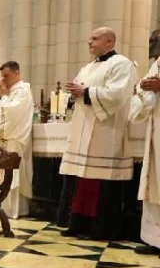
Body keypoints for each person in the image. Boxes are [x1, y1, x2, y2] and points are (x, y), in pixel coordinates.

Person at [59, 27, 137, 241]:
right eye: (89, 39)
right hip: (82, 132)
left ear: (109, 42)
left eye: (94, 39)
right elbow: (77, 92)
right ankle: (77, 223)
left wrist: (85, 92)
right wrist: (72, 94)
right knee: (81, 179)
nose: (89, 42)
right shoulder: (87, 68)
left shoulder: (122, 64)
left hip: (105, 133)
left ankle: (99, 228)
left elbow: (117, 95)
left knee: (99, 182)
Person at [0, 61, 34, 219]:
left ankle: (11, 210)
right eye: (2, 76)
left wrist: (3, 97)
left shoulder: (23, 91)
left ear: (17, 73)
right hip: (1, 140)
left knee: (10, 175)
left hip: (12, 140)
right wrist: (0, 97)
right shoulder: (8, 92)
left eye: (6, 76)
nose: (3, 79)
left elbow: (13, 112)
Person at [131, 56, 160, 255]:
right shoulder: (158, 62)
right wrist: (143, 87)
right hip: (156, 126)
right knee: (155, 181)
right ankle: (155, 239)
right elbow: (147, 86)